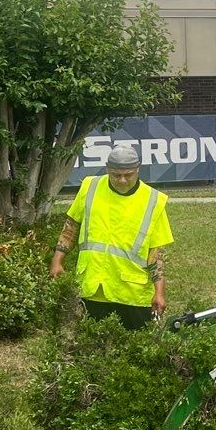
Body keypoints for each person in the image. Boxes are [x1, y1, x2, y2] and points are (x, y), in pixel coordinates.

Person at [49, 138, 172, 327]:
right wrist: (57, 261)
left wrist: (159, 292)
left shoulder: (153, 201)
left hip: (132, 294)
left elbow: (156, 254)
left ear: (137, 169)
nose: (122, 180)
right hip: (92, 287)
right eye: (116, 175)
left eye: (128, 175)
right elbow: (71, 226)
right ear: (107, 169)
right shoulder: (90, 187)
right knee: (91, 348)